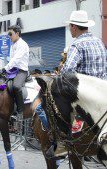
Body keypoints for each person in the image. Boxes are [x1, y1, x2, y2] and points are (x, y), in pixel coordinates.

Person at [37, 10, 107, 158]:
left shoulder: (77, 45)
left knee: (47, 104)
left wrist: (60, 72)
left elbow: (66, 76)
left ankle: (63, 143)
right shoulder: (100, 42)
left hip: (85, 97)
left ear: (74, 27)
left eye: (70, 27)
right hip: (103, 93)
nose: (70, 29)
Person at [3, 25, 30, 117]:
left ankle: (20, 110)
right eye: (8, 34)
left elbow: (16, 60)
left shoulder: (22, 44)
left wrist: (4, 69)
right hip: (12, 71)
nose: (9, 36)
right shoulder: (13, 45)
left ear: (17, 33)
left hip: (21, 71)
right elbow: (11, 60)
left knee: (16, 86)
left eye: (10, 34)